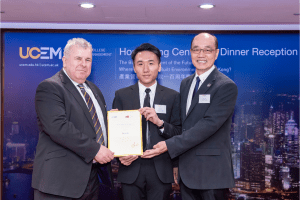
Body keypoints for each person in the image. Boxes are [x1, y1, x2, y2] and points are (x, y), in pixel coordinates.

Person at [142, 33, 238, 200]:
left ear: (216, 53)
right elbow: (185, 127)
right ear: (190, 52)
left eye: (207, 50)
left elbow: (208, 125)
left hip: (211, 174)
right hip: (187, 174)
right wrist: (161, 124)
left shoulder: (226, 86)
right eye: (196, 50)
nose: (201, 55)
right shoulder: (186, 83)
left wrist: (169, 145)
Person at [32, 38, 114, 200]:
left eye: (88, 59)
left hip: (90, 180)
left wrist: (114, 122)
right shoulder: (50, 87)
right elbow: (58, 127)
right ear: (65, 60)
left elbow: (94, 125)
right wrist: (95, 150)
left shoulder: (93, 89)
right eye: (78, 58)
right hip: (58, 183)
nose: (83, 64)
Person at [112, 43, 181, 200]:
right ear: (134, 68)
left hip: (161, 169)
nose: (146, 69)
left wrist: (160, 123)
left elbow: (179, 132)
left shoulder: (173, 96)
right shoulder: (121, 95)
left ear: (159, 66)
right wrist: (120, 156)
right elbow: (115, 134)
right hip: (130, 168)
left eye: (151, 63)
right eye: (140, 64)